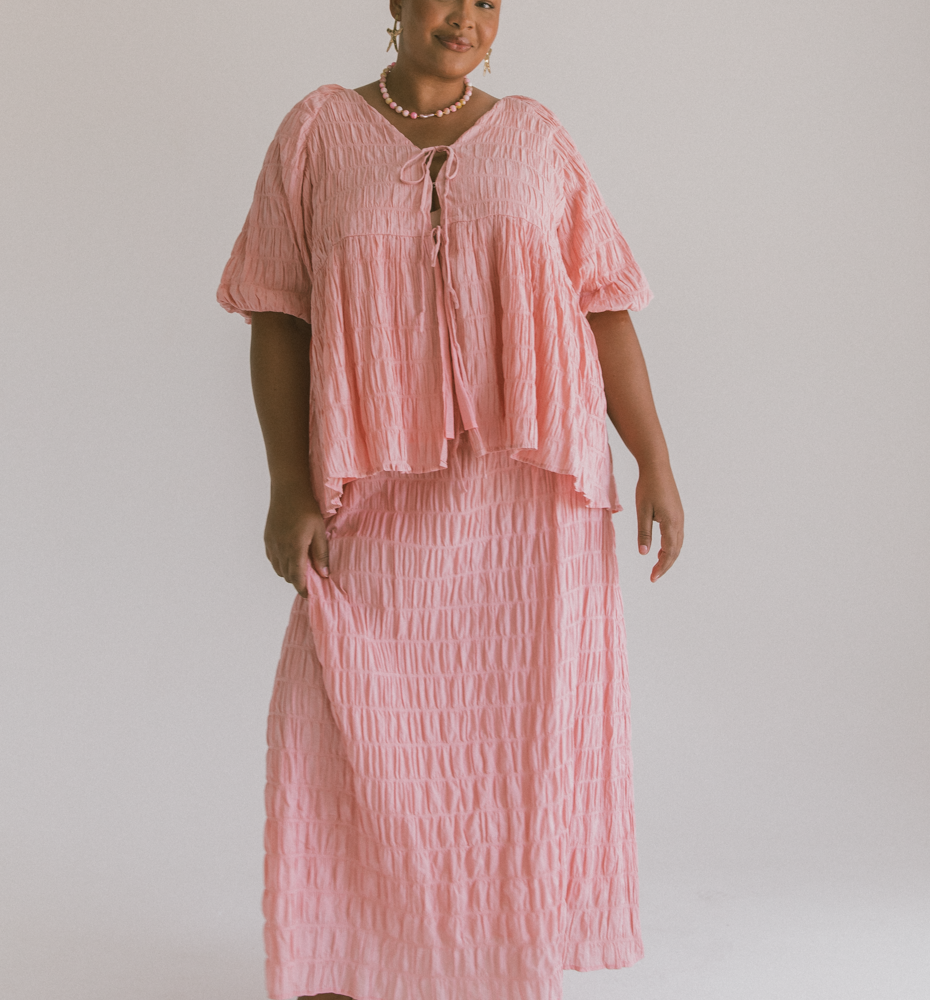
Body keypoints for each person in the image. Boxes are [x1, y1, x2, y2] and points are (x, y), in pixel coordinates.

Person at [217, 2, 684, 998]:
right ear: (394, 4)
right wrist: (288, 485)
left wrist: (653, 458)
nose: (466, 16)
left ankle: (494, 965)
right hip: (374, 486)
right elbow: (276, 312)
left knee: (518, 744)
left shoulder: (535, 137)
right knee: (338, 716)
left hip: (530, 505)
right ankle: (346, 961)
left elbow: (601, 305)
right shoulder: (317, 132)